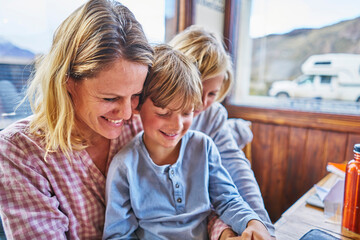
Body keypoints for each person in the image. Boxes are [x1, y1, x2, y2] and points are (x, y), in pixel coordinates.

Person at [0, 0, 153, 239]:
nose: (125, 113)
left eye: (136, 95)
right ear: (67, 82)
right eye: (110, 98)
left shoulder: (145, 123)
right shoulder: (20, 151)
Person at [102, 44, 271, 240]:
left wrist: (253, 222)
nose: (177, 125)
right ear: (138, 106)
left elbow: (227, 199)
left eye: (186, 112)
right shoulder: (124, 166)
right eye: (164, 113)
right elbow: (118, 235)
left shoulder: (204, 147)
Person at [169, 25, 276, 239]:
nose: (201, 103)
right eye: (197, 89)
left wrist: (263, 225)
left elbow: (236, 168)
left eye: (212, 94)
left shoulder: (213, 115)